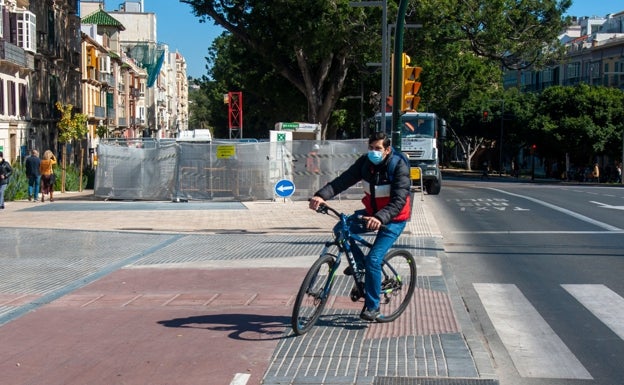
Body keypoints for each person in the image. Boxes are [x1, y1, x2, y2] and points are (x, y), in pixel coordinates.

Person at [308, 132, 411, 322]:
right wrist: (321, 195)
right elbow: (343, 181)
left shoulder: (399, 166)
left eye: (378, 149)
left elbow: (398, 201)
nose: (373, 152)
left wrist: (380, 218)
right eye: (371, 148)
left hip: (394, 218)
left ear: (387, 150)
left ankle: (373, 307)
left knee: (374, 259)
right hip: (372, 213)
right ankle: (361, 265)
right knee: (341, 229)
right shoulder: (365, 163)